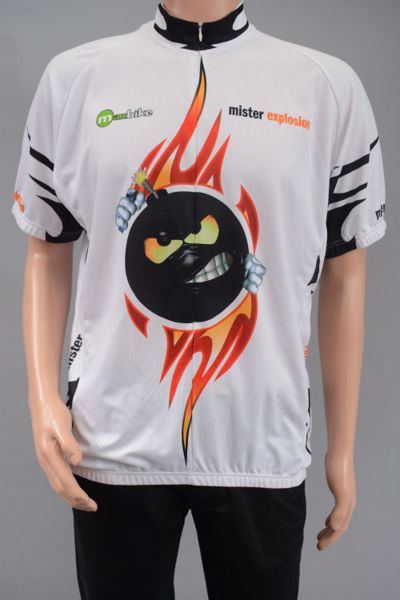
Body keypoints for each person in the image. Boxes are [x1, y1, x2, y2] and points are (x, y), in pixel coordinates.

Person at [11, 1, 387, 598]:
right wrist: (41, 401)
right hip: (113, 437)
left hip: (261, 437)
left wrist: (341, 449)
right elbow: (46, 250)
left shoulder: (325, 88)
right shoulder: (76, 79)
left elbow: (346, 272)